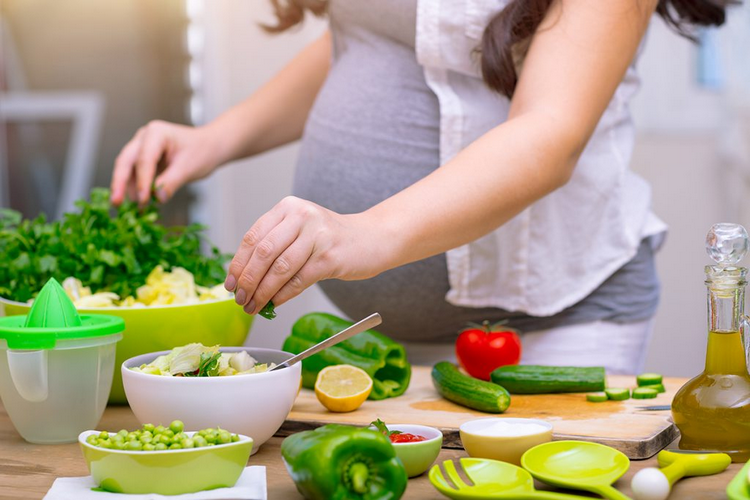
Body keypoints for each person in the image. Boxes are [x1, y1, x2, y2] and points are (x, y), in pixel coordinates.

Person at [111, 0, 730, 371]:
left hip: (547, 327)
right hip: (386, 340)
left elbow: (550, 135)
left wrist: (362, 232)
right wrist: (215, 138)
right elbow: (372, 35)